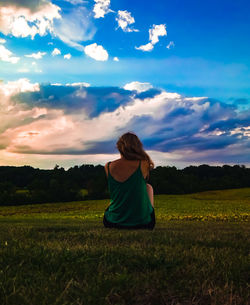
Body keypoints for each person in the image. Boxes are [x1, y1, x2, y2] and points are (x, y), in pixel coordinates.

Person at [103, 132, 155, 230]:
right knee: (148, 187)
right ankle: (144, 215)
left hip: (112, 223)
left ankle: (117, 215)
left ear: (119, 147)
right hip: (143, 224)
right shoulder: (144, 163)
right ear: (138, 147)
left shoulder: (108, 166)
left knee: (117, 193)